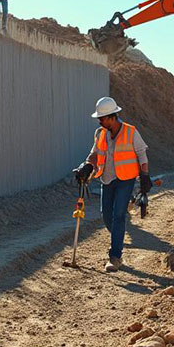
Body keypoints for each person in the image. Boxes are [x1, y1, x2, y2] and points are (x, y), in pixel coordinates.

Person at [73, 97, 152, 272]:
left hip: (126, 180)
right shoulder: (100, 133)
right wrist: (86, 166)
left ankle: (115, 256)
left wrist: (144, 175)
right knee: (106, 215)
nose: (99, 121)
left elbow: (142, 154)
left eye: (101, 118)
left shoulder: (131, 132)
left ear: (111, 117)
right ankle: (118, 234)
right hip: (107, 179)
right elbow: (94, 154)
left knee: (118, 215)